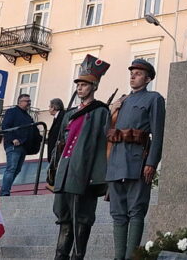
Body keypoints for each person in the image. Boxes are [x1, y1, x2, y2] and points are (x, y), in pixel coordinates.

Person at [52, 55, 111, 260]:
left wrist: (97, 178)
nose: (80, 88)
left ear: (93, 87)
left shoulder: (100, 111)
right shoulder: (68, 114)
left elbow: (100, 146)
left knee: (82, 220)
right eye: (78, 84)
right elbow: (60, 144)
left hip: (84, 174)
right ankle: (60, 256)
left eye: (84, 85)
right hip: (65, 173)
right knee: (65, 219)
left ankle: (78, 257)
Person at [105, 58, 165, 260]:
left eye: (138, 73)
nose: (133, 76)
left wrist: (151, 163)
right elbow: (107, 132)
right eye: (131, 72)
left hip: (138, 160)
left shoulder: (154, 98)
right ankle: (118, 257)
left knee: (136, 211)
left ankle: (132, 257)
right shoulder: (122, 101)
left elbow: (158, 134)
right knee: (118, 213)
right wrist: (112, 109)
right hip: (116, 161)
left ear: (147, 79)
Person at [0, 93, 34, 196]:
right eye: (27, 101)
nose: (29, 103)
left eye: (29, 101)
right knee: (11, 168)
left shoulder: (28, 117)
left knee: (17, 169)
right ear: (20, 102)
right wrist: (12, 139)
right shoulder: (12, 112)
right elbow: (5, 126)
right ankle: (4, 192)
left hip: (23, 146)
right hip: (13, 145)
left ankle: (6, 190)